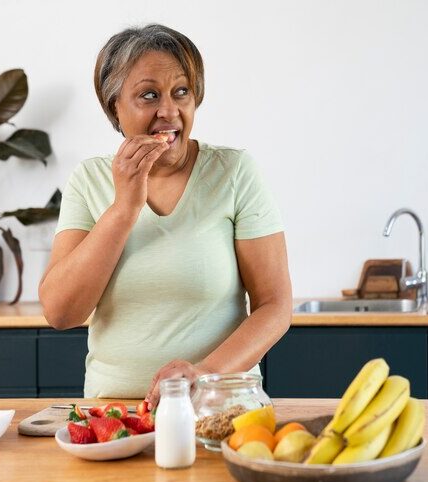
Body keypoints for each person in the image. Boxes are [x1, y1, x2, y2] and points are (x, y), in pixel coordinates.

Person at [39, 24, 292, 409]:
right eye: (149, 95)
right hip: (115, 414)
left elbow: (275, 306)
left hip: (219, 406)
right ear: (115, 108)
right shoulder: (89, 179)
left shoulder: (234, 172)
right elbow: (61, 312)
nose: (168, 111)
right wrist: (124, 208)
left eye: (181, 92)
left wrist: (203, 375)